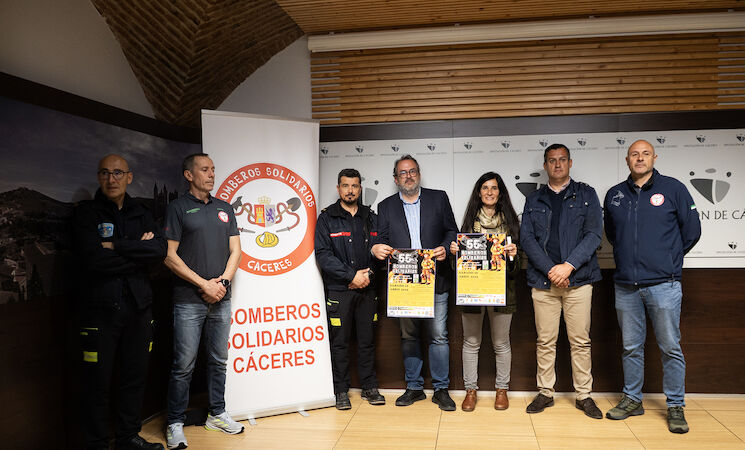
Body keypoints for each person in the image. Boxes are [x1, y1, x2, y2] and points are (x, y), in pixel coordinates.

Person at [603, 139, 701, 433]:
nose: (640, 158)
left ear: (654, 157)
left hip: (663, 284)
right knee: (631, 347)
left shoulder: (673, 188)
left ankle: (675, 406)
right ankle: (632, 399)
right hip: (626, 285)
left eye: (645, 154)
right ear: (627, 160)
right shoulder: (615, 194)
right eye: (634, 154)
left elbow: (692, 231)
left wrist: (668, 260)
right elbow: (612, 233)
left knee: (670, 347)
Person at [72, 154, 167, 450]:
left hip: (139, 308)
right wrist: (138, 253)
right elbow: (94, 261)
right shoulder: (86, 214)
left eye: (117, 173)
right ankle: (97, 443)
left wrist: (116, 246)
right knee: (96, 382)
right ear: (98, 177)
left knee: (134, 376)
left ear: (129, 177)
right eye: (105, 173)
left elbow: (159, 251)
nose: (111, 179)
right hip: (100, 311)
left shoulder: (141, 211)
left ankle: (127, 438)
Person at [163, 153, 243, 449]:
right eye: (205, 169)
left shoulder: (224, 208)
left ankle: (217, 414)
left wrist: (222, 283)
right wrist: (203, 284)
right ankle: (174, 422)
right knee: (184, 364)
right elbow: (169, 256)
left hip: (221, 297)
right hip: (188, 300)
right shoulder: (177, 208)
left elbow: (236, 251)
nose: (211, 174)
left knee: (219, 360)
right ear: (189, 175)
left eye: (213, 169)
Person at [520, 143, 604, 419]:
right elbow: (527, 239)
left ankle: (584, 395)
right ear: (545, 165)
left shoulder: (587, 194)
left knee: (580, 342)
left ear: (570, 163)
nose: (557, 164)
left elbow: (594, 235)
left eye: (562, 159)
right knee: (545, 341)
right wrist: (551, 270)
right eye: (552, 160)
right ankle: (545, 392)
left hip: (578, 280)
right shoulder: (534, 199)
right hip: (544, 283)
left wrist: (568, 267)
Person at [372, 155, 459, 411]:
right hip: (404, 282)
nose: (408, 176)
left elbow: (451, 231)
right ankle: (414, 387)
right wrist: (376, 247)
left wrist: (445, 247)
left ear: (419, 174)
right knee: (409, 336)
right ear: (395, 179)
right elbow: (381, 239)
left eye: (412, 171)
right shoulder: (386, 206)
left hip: (436, 279)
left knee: (438, 336)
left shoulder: (438, 198)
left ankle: (441, 390)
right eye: (403, 173)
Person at [315, 168, 386, 410]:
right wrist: (351, 276)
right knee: (340, 343)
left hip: (368, 289)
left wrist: (367, 276)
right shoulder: (327, 218)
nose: (350, 190)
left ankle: (369, 386)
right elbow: (323, 255)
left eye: (354, 186)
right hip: (339, 290)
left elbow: (382, 250)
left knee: (367, 341)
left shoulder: (371, 217)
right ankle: (340, 390)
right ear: (338, 188)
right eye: (345, 186)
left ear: (360, 188)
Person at [448, 172, 519, 412]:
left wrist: (512, 255)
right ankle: (470, 391)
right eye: (485, 188)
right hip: (473, 293)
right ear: (479, 193)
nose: (489, 192)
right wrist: (455, 253)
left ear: (500, 193)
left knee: (501, 343)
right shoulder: (469, 224)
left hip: (502, 293)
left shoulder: (511, 224)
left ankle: (502, 390)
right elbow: (456, 268)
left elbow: (518, 267)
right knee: (471, 342)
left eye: (494, 188)